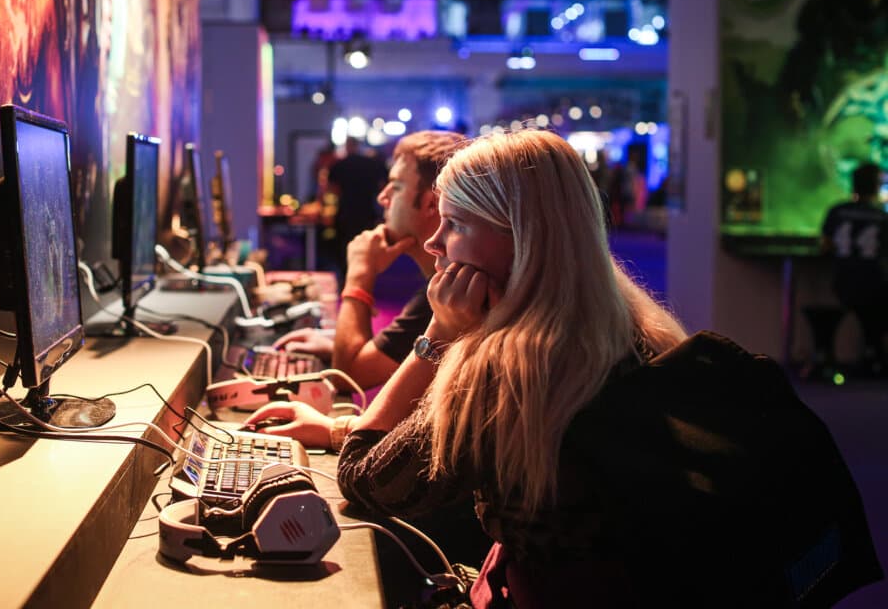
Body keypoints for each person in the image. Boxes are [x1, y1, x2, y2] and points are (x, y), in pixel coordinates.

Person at [247, 129, 690, 603]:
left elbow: (365, 479)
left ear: (521, 234)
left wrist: (439, 335)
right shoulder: (637, 329)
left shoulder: (516, 367)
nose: (435, 242)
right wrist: (339, 427)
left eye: (455, 222)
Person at [273, 130, 465, 391]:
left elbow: (348, 376)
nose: (382, 197)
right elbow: (385, 356)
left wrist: (360, 273)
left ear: (431, 204)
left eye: (396, 187)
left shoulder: (451, 293)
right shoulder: (447, 282)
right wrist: (336, 347)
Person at [820, 162, 888, 375]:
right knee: (876, 308)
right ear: (876, 186)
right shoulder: (882, 217)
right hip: (874, 284)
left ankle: (868, 355)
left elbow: (825, 246)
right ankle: (874, 358)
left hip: (842, 283)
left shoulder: (837, 211)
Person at [327, 137, 389, 282]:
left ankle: (346, 278)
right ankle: (365, 278)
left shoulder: (340, 165)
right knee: (366, 247)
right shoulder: (371, 164)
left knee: (344, 248)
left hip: (345, 211)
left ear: (347, 146)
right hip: (366, 211)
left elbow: (332, 189)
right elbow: (383, 184)